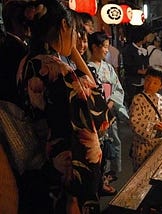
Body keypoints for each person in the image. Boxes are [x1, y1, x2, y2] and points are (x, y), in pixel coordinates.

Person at [16, 1, 109, 213]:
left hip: (41, 165)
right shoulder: (59, 70)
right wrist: (75, 54)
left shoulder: (26, 63)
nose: (77, 38)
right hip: (67, 175)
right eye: (75, 31)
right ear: (64, 27)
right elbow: (99, 115)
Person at [87, 31, 128, 195]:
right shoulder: (86, 68)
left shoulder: (108, 68)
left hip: (109, 113)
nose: (106, 50)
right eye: (104, 47)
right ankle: (96, 181)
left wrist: (110, 104)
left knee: (111, 144)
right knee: (97, 148)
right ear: (94, 47)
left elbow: (117, 89)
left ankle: (106, 177)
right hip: (94, 116)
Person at [129, 66, 162, 172]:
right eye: (148, 80)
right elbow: (135, 122)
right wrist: (153, 126)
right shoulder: (138, 99)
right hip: (143, 146)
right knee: (142, 171)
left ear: (161, 86)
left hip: (158, 144)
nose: (150, 85)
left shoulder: (161, 99)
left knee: (155, 169)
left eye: (155, 83)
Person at [122, 26, 150, 107]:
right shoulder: (128, 50)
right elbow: (127, 66)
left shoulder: (144, 48)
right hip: (132, 81)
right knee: (133, 103)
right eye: (145, 36)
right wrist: (140, 71)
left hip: (143, 81)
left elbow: (146, 63)